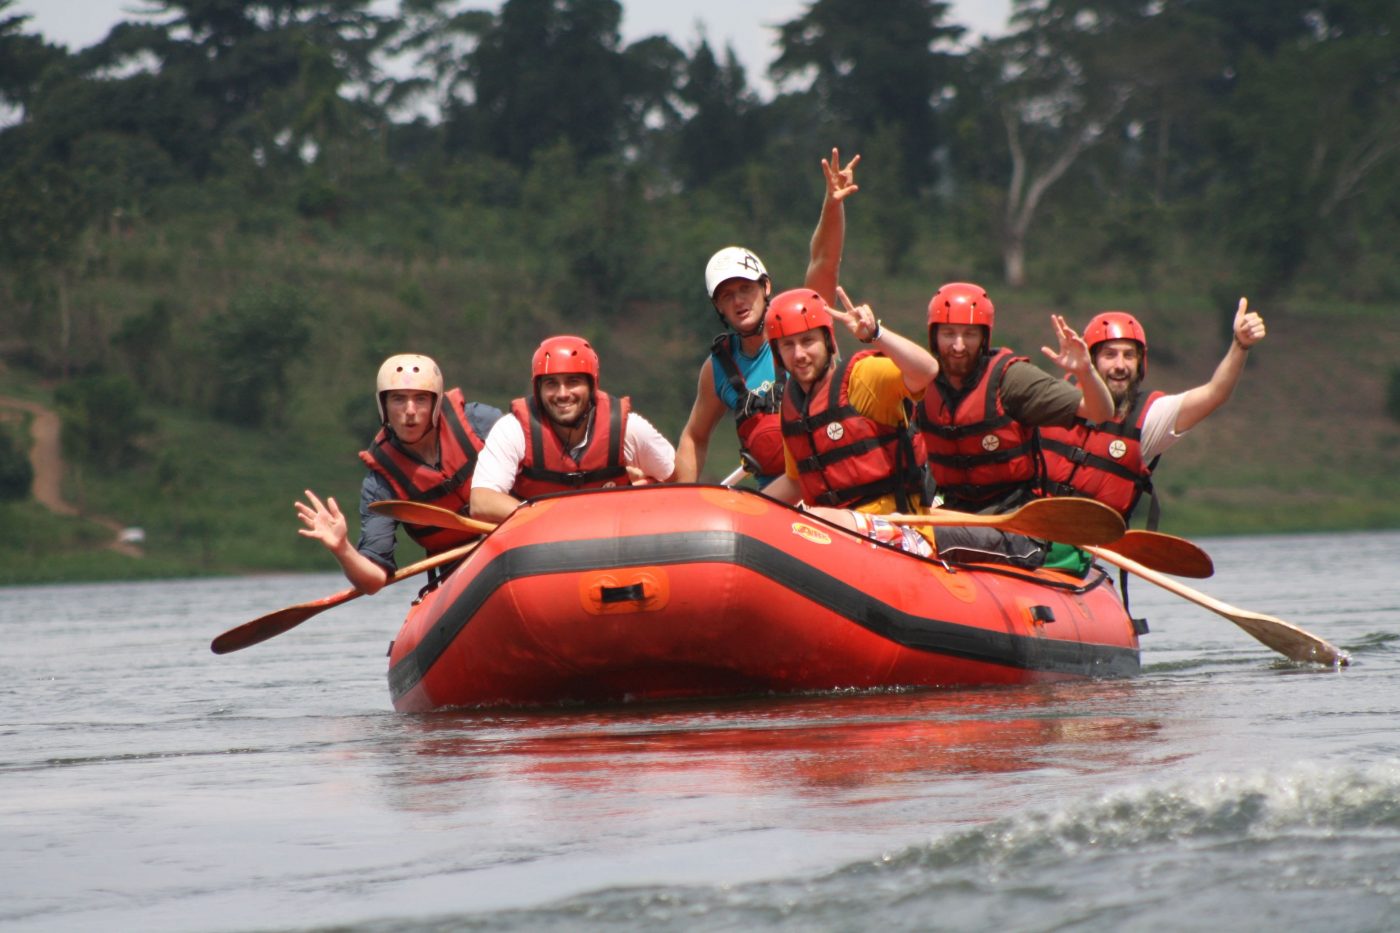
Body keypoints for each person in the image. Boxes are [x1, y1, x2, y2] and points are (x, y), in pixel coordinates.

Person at [673, 148, 860, 487]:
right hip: (779, 498)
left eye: (745, 289)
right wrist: (682, 496)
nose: (739, 301)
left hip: (836, 482)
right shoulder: (718, 368)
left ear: (766, 287)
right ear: (719, 308)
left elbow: (824, 261)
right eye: (727, 296)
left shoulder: (803, 319)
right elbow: (694, 437)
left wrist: (833, 205)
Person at [1040, 298, 1267, 525]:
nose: (1120, 365)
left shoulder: (1148, 417)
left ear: (1140, 363)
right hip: (1027, 540)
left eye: (1129, 355)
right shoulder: (1050, 401)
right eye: (1110, 355)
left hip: (1086, 549)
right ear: (1089, 360)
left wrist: (1240, 344)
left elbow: (1215, 393)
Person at [296, 353, 503, 594]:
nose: (410, 410)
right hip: (457, 570)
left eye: (421, 399)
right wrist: (341, 548)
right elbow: (373, 580)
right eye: (398, 399)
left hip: (517, 540)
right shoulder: (381, 482)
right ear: (383, 405)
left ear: (435, 403)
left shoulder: (480, 423)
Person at [916, 282, 1114, 514]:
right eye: (949, 334)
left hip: (1010, 513)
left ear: (983, 338)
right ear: (934, 337)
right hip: (949, 510)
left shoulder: (1011, 379)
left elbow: (1100, 412)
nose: (959, 346)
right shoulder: (920, 380)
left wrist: (1085, 372)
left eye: (969, 334)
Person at [759, 287, 937, 541]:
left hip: (901, 533)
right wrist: (744, 508)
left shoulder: (863, 376)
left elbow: (927, 370)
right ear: (778, 354)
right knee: (795, 524)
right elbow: (795, 481)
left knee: (809, 522)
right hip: (835, 538)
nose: (799, 354)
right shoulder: (793, 406)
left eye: (808, 341)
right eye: (788, 345)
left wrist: (876, 333)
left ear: (829, 341)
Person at [469, 335, 677, 523]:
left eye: (573, 382)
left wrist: (641, 490)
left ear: (591, 386)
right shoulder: (513, 429)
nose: (562, 394)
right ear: (538, 389)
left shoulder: (628, 429)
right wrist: (548, 518)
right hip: (538, 547)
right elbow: (482, 502)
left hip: (613, 543)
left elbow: (676, 480)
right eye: (551, 383)